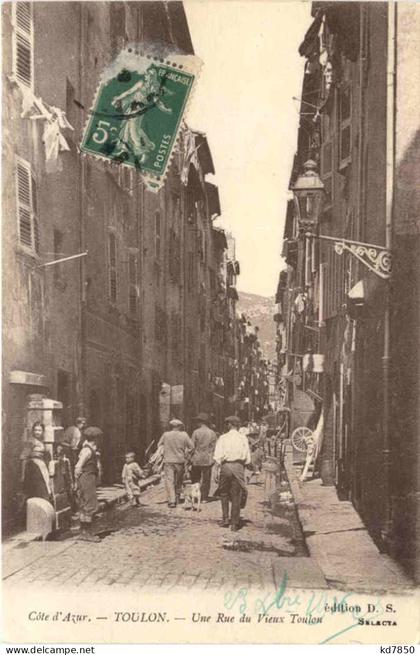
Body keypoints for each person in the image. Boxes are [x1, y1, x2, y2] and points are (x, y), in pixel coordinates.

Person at [214, 416, 251, 531]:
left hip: (225, 467)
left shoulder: (223, 438)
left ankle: (225, 519)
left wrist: (216, 470)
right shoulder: (243, 438)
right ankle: (234, 523)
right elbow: (248, 458)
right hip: (238, 467)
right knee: (236, 495)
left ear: (229, 425)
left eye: (227, 424)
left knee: (223, 493)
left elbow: (218, 456)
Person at [157, 419, 194, 508]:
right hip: (180, 461)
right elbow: (192, 447)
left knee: (170, 481)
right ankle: (177, 498)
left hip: (168, 461)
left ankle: (172, 501)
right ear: (179, 426)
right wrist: (186, 453)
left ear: (172, 426)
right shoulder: (184, 435)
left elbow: (159, 445)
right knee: (178, 480)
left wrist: (166, 450)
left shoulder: (166, 435)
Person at [74, 430, 101, 542]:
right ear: (95, 439)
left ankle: (83, 531)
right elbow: (78, 466)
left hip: (87, 478)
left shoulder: (90, 450)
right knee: (90, 505)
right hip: (86, 479)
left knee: (85, 505)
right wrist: (77, 481)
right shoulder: (87, 451)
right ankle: (87, 533)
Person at [20, 421, 52, 504]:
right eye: (35, 430)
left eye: (40, 430)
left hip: (41, 469)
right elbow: (24, 457)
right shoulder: (31, 442)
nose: (37, 432)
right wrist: (23, 475)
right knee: (37, 491)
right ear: (33, 431)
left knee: (42, 489)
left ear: (43, 431)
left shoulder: (41, 442)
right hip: (33, 469)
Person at [190, 413, 217, 503]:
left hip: (196, 458)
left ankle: (195, 495)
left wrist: (189, 457)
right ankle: (204, 497)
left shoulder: (196, 432)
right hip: (208, 459)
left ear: (201, 422)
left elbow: (192, 446)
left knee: (195, 478)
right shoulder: (212, 433)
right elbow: (214, 447)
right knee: (206, 479)